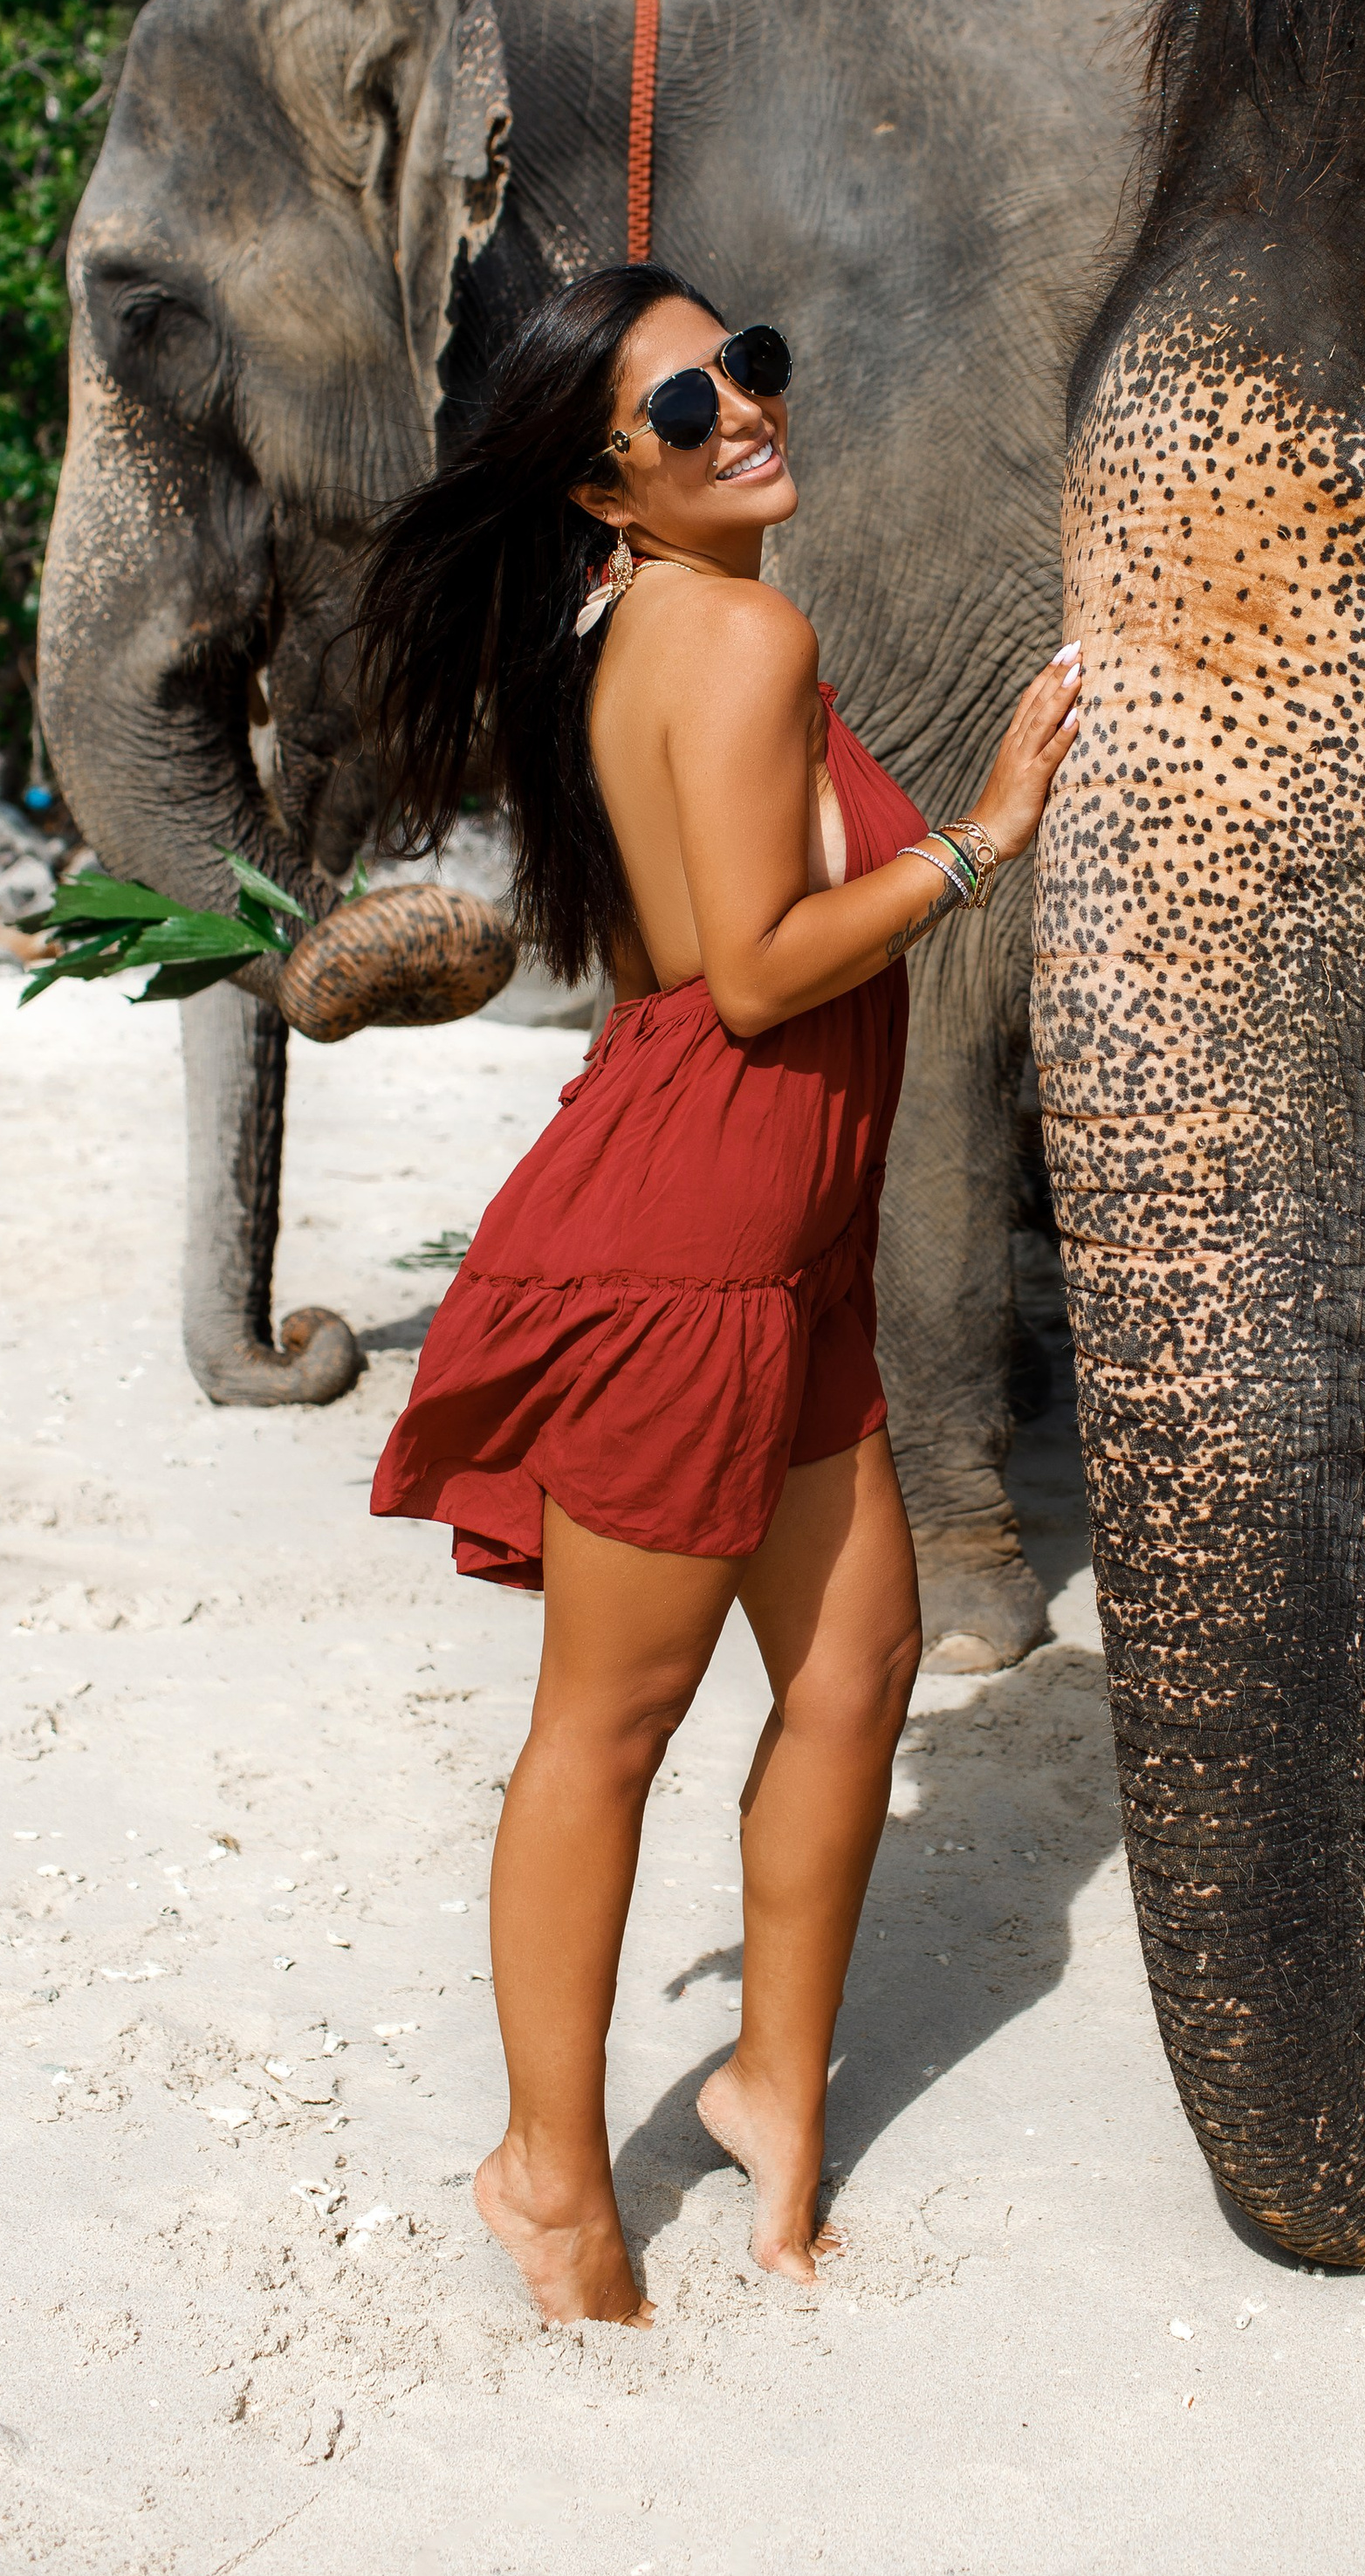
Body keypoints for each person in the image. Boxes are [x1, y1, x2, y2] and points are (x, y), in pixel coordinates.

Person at [353, 265, 1081, 2326]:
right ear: (604, 483)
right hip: (689, 1248)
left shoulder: (654, 620)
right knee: (608, 1725)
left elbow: (698, 964)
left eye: (747, 366)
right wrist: (983, 838)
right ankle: (549, 2173)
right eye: (686, 408)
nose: (742, 411)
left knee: (856, 1669)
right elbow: (754, 972)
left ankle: (769, 2080)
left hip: (782, 1242)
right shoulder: (740, 632)